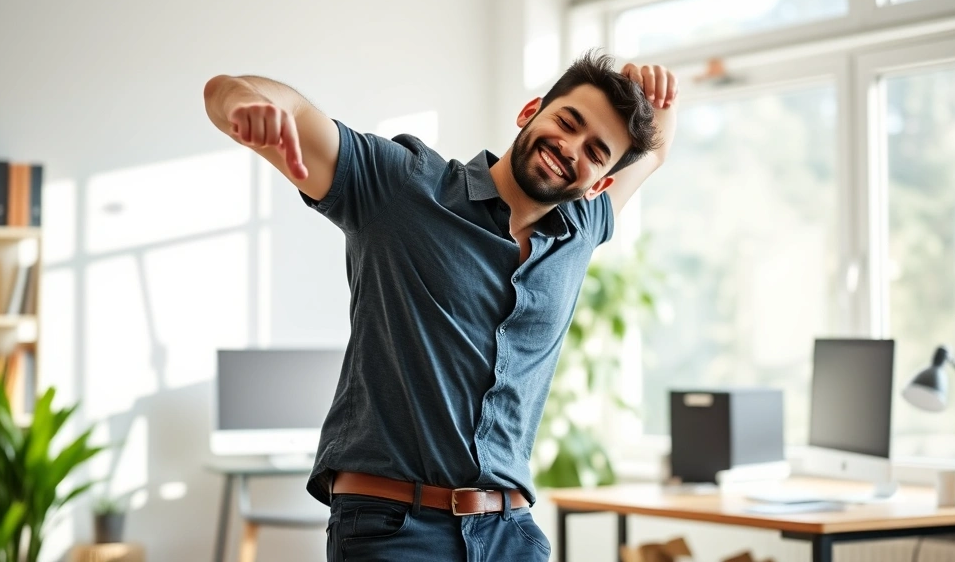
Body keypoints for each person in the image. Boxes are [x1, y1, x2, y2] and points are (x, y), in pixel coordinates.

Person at [203, 50, 677, 561]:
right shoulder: (403, 186)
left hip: (512, 534)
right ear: (530, 111)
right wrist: (248, 104)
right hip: (393, 530)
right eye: (567, 121)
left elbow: (655, 150)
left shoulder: (580, 233)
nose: (570, 147)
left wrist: (660, 97)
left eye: (595, 151)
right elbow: (234, 95)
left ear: (599, 184)